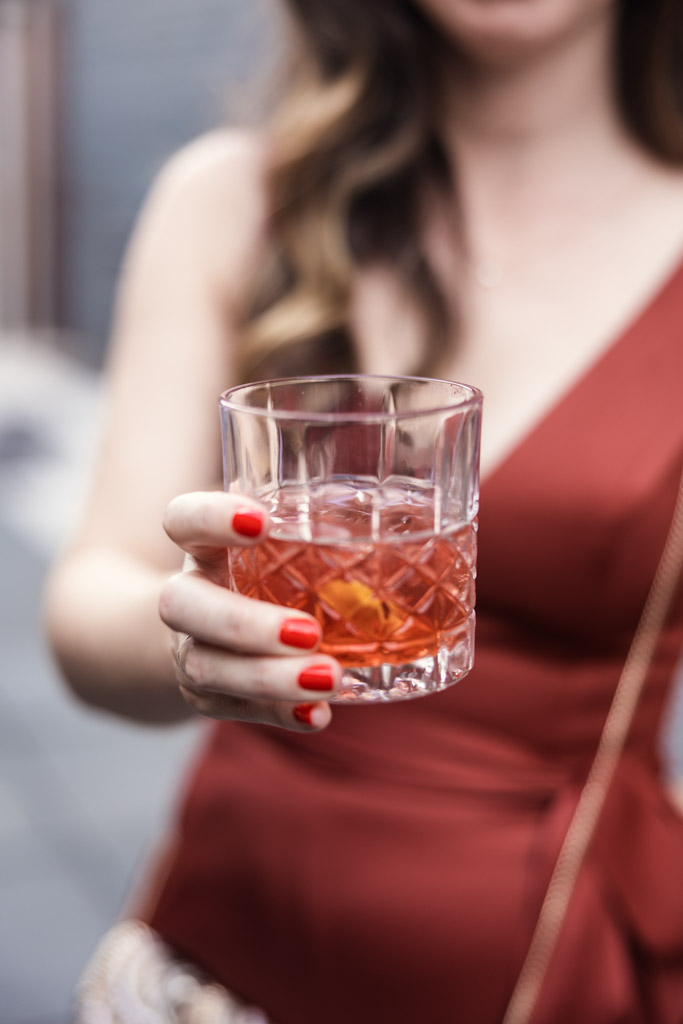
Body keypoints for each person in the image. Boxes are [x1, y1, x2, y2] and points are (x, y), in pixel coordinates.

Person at [45, 1, 683, 1021]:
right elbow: (92, 589)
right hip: (225, 961)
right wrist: (189, 637)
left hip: (542, 962)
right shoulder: (233, 200)